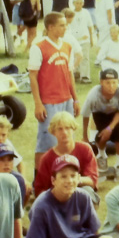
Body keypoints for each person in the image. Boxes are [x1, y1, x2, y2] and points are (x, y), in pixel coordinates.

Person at [30, 11, 79, 167]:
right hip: (49, 102)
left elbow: (69, 74)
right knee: (46, 142)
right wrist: (38, 103)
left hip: (66, 100)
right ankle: (39, 177)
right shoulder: (38, 47)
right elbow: (33, 76)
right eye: (62, 25)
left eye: (66, 25)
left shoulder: (67, 46)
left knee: (67, 139)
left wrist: (75, 99)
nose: (65, 28)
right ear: (50, 27)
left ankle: (66, 172)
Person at [33, 111, 99, 198]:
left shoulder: (85, 149)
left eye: (68, 128)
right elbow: (40, 190)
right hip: (56, 197)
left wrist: (72, 181)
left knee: (87, 191)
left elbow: (92, 180)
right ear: (53, 132)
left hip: (80, 192)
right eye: (60, 129)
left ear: (73, 129)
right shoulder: (47, 158)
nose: (64, 132)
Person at [81, 68, 119, 178]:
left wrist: (110, 128)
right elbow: (85, 115)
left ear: (118, 81)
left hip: (116, 113)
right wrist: (85, 136)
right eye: (107, 83)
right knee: (102, 135)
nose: (111, 86)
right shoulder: (93, 95)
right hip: (99, 113)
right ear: (101, 82)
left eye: (114, 82)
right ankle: (101, 156)